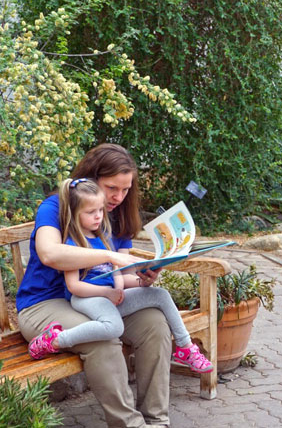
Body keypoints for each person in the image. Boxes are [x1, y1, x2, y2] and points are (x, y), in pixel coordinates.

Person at [16, 143, 172, 428]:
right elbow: (50, 253)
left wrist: (142, 276)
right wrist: (107, 254)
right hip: (44, 304)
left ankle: (157, 420)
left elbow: (119, 276)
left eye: (125, 190)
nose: (118, 197)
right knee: (103, 339)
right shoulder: (55, 207)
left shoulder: (116, 215)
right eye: (112, 187)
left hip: (94, 297)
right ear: (92, 178)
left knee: (155, 323)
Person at [27, 177, 213, 375]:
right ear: (75, 214)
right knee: (114, 328)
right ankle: (54, 339)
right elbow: (74, 288)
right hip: (88, 298)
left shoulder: (104, 239)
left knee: (160, 295)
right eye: (91, 212)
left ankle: (185, 347)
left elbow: (115, 273)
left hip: (110, 297)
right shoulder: (73, 244)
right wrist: (108, 293)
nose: (98, 216)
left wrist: (140, 280)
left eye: (100, 210)